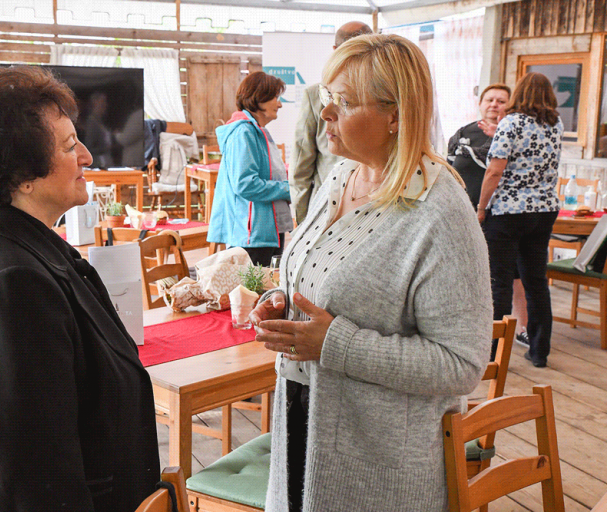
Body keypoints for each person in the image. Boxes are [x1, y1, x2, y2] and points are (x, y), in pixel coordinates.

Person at [250, 34, 492, 512]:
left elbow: (461, 363)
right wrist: (282, 301)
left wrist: (335, 344)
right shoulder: (343, 174)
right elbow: (322, 273)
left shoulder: (439, 211)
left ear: (395, 115)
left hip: (376, 464)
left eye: (343, 102)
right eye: (326, 97)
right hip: (301, 417)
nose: (325, 113)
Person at [0, 66, 160, 512]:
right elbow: (32, 485)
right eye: (69, 146)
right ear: (21, 172)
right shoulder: (11, 285)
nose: (86, 156)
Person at [477, 72, 563, 368]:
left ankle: (490, 355)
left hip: (508, 212)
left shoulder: (510, 123)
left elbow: (495, 170)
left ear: (519, 94)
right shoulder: (556, 124)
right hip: (544, 210)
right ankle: (539, 351)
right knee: (536, 281)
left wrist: (481, 207)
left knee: (498, 282)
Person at [207, 71, 292, 267]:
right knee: (255, 286)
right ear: (259, 98)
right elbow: (245, 185)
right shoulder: (243, 132)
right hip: (252, 235)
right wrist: (288, 188)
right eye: (275, 98)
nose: (279, 104)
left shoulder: (256, 130)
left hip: (265, 231)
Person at [291, 21, 373, 225]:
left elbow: (300, 166)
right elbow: (301, 165)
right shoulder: (315, 96)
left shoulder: (382, 94)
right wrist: (303, 221)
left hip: (373, 208)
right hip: (328, 210)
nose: (327, 113)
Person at [447, 83, 511, 208]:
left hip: (498, 209)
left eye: (501, 101)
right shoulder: (463, 133)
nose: (494, 104)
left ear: (510, 106)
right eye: (489, 100)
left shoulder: (515, 135)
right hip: (460, 206)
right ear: (480, 104)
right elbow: (448, 170)